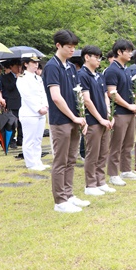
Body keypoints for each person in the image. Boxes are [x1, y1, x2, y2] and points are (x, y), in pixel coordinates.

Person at [41, 29, 89, 213]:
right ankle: (60, 201)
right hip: (60, 121)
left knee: (71, 159)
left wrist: (81, 118)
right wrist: (74, 117)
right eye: (69, 46)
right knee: (60, 161)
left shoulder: (70, 66)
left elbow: (76, 95)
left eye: (74, 47)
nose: (72, 50)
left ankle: (68, 195)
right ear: (58, 45)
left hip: (74, 119)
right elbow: (56, 97)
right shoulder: (52, 67)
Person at [79, 45, 115, 196]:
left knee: (103, 152)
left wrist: (108, 115)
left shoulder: (99, 75)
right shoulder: (82, 75)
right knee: (92, 153)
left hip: (104, 119)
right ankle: (90, 184)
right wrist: (100, 119)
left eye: (100, 57)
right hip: (93, 121)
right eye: (97, 57)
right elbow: (86, 101)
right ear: (87, 57)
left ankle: (101, 181)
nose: (100, 60)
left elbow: (105, 96)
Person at [105, 39, 136, 186]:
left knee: (128, 143)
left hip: (130, 112)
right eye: (128, 51)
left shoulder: (126, 69)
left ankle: (126, 170)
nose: (131, 54)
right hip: (119, 112)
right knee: (116, 144)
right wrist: (128, 105)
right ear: (119, 52)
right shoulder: (112, 70)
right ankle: (113, 174)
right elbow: (112, 93)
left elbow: (132, 90)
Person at [16, 54, 49, 170]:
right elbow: (27, 96)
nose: (36, 65)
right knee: (29, 139)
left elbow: (43, 93)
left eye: (37, 62)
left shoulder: (38, 78)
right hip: (29, 113)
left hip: (41, 112)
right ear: (25, 64)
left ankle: (37, 161)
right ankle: (30, 163)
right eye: (33, 62)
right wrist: (38, 108)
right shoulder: (22, 79)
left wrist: (45, 106)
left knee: (38, 139)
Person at [0, 59, 23, 149]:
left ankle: (20, 139)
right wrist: (16, 79)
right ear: (11, 67)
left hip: (22, 102)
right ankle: (11, 140)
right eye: (16, 66)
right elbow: (9, 88)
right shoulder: (6, 77)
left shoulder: (23, 76)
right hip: (12, 102)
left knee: (22, 122)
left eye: (19, 66)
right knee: (12, 123)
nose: (18, 68)